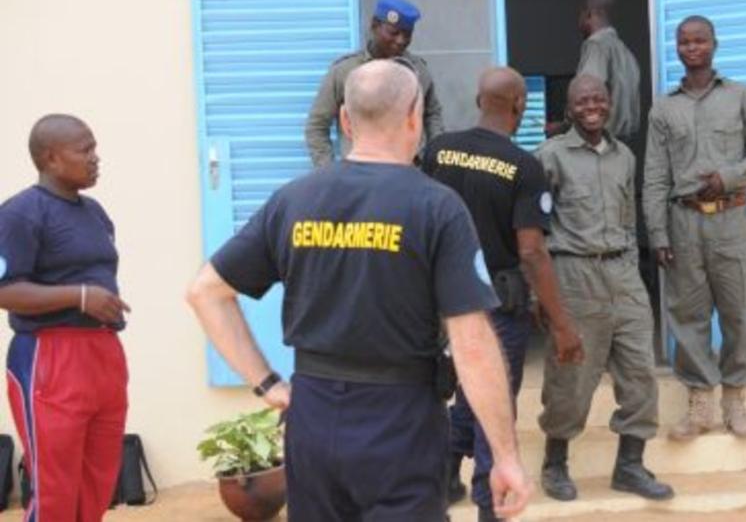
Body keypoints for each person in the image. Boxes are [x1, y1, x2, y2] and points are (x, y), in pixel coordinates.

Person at [187, 60, 531, 522]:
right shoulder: (437, 207)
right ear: (415, 115)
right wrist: (505, 456)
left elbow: (205, 291)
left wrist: (267, 383)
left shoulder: (293, 200)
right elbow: (472, 344)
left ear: (345, 121)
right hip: (401, 422)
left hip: (311, 416)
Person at [423, 67, 584, 521]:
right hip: (494, 308)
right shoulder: (523, 166)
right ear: (520, 106)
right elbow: (531, 252)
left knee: (461, 395)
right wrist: (562, 324)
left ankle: (443, 479)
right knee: (494, 408)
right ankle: (488, 510)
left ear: (479, 101)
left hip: (439, 305)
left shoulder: (438, 151)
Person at [535, 75, 674, 502]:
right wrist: (542, 294)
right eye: (582, 101)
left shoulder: (624, 156)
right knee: (571, 378)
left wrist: (631, 266)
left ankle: (630, 466)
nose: (592, 106)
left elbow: (629, 220)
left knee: (639, 374)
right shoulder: (549, 156)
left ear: (609, 104)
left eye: (599, 99)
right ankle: (555, 463)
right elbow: (534, 232)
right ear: (569, 108)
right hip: (575, 276)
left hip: (624, 275)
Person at [642, 15, 746, 440]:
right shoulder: (664, 108)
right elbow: (654, 177)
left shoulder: (741, 97)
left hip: (731, 219)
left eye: (699, 40)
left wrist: (730, 175)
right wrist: (658, 234)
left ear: (714, 45)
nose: (691, 47)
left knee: (738, 314)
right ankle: (700, 402)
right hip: (683, 222)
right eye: (684, 42)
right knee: (688, 314)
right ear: (678, 48)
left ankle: (735, 400)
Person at [0, 114, 130, 522]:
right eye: (84, 150)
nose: (95, 158)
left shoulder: (94, 212)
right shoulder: (21, 213)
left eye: (95, 148)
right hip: (49, 358)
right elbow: (4, 290)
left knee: (96, 487)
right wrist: (81, 296)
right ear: (51, 158)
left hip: (103, 355)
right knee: (55, 491)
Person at [305, 0, 444, 167]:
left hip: (409, 174)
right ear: (374, 26)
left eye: (407, 35)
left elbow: (432, 115)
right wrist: (328, 171)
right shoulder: (345, 71)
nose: (401, 41)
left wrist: (433, 162)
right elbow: (317, 126)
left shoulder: (418, 71)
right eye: (394, 33)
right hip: (359, 174)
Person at [576, 0, 641, 145]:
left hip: (598, 145)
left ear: (590, 13)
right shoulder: (626, 53)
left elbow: (587, 94)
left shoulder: (597, 46)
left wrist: (562, 128)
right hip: (622, 146)